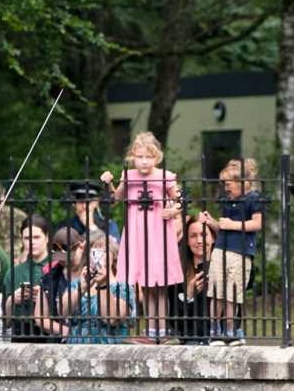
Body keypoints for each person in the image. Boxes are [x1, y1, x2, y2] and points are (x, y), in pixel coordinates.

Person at [101, 131, 184, 343]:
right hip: (137, 232)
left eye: (148, 157)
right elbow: (115, 199)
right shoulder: (129, 176)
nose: (144, 161)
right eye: (139, 157)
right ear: (132, 157)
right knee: (146, 285)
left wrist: (173, 211)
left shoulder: (165, 176)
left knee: (160, 285)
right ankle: (150, 330)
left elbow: (182, 200)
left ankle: (162, 330)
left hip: (158, 231)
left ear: (156, 157)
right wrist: (109, 184)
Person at [201, 158, 263, 346]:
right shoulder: (228, 201)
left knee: (231, 294)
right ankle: (214, 331)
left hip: (240, 253)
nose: (225, 188)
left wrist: (233, 224)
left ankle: (230, 331)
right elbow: (223, 228)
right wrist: (212, 222)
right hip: (220, 249)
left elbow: (257, 224)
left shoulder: (253, 198)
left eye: (228, 184)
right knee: (217, 290)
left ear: (242, 183)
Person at [61, 236, 136, 344]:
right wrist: (81, 288)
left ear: (113, 257)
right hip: (75, 348)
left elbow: (111, 319)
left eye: (104, 251)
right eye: (95, 251)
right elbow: (62, 313)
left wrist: (103, 284)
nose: (98, 256)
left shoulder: (123, 288)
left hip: (108, 350)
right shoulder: (77, 284)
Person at [5, 215, 57, 342]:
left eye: (37, 237)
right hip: (20, 334)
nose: (32, 242)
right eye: (27, 238)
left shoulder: (59, 268)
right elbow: (5, 322)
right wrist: (13, 299)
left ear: (47, 238)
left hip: (52, 334)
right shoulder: (13, 273)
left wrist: (45, 296)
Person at [172, 215, 215, 343]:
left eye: (204, 235)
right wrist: (189, 295)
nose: (199, 240)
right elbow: (176, 322)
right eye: (193, 236)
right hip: (191, 341)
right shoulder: (178, 272)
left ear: (213, 238)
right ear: (187, 240)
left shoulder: (223, 267)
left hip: (219, 340)